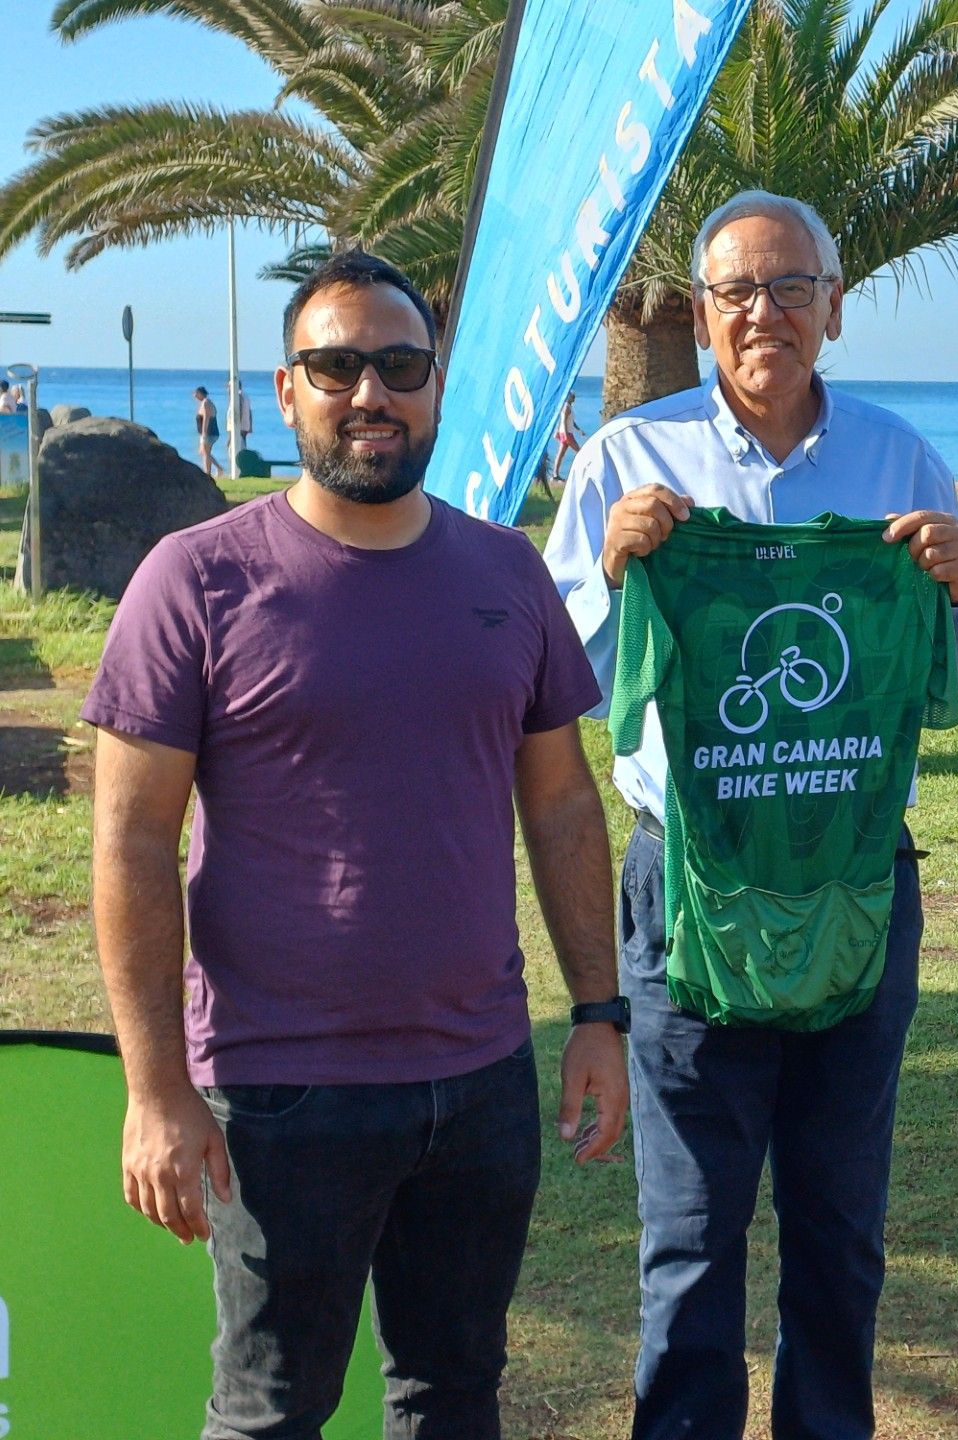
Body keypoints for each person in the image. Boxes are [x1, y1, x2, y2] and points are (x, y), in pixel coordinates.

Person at [85, 249, 630, 1440]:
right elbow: (130, 843)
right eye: (335, 367)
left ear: (437, 386)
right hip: (282, 1091)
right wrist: (155, 1090)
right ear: (287, 391)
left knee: (453, 1397)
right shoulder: (197, 581)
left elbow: (561, 806)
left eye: (399, 365)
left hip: (480, 1080)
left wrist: (599, 1013)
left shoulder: (508, 573)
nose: (369, 393)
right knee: (270, 1413)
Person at [543, 190, 958, 1440]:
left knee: (840, 1227)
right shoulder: (625, 461)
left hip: (856, 878)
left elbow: (951, 664)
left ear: (833, 308)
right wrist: (616, 571)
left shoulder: (900, 459)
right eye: (738, 290)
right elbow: (564, 676)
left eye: (793, 287)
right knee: (690, 1233)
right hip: (690, 885)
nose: (764, 313)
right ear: (701, 313)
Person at [554, 391, 584, 480]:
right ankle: (581, 471)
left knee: (561, 454)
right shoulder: (566, 407)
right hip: (566, 433)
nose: (574, 398)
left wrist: (579, 430)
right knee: (580, 452)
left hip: (567, 433)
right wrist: (566, 435)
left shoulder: (569, 407)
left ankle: (555, 474)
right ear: (569, 397)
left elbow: (571, 421)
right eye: (572, 396)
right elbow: (563, 421)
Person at [193, 386, 220, 477]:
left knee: (206, 453)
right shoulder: (204, 403)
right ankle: (218, 468)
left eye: (196, 394)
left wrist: (204, 434)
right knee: (203, 452)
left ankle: (208, 472)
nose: (194, 396)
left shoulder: (206, 403)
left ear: (200, 393)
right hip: (207, 433)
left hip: (209, 432)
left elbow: (206, 418)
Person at [228, 380, 254, 455]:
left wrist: (236, 427)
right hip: (245, 427)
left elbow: (239, 411)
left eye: (229, 386)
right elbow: (249, 412)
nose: (228, 389)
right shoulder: (245, 396)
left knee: (235, 449)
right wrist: (250, 426)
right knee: (242, 447)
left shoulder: (237, 396)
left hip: (238, 428)